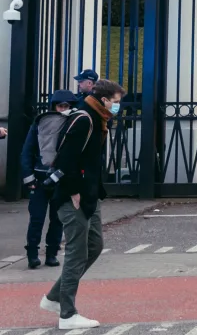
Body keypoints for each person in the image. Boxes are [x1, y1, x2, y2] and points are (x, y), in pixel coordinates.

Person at [39, 78, 124, 330]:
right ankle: (67, 314)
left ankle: (55, 297)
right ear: (104, 99)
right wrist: (73, 191)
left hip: (90, 194)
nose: (118, 106)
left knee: (94, 246)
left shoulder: (98, 118)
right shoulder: (86, 118)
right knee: (77, 252)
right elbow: (66, 159)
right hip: (73, 195)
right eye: (116, 102)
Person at [21, 90, 79, 269]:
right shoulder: (39, 123)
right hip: (39, 176)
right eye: (60, 106)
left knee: (57, 219)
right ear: (53, 106)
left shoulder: (72, 123)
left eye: (67, 106)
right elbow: (27, 151)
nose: (63, 109)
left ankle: (52, 253)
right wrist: (29, 178)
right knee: (37, 218)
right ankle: (32, 254)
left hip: (59, 177)